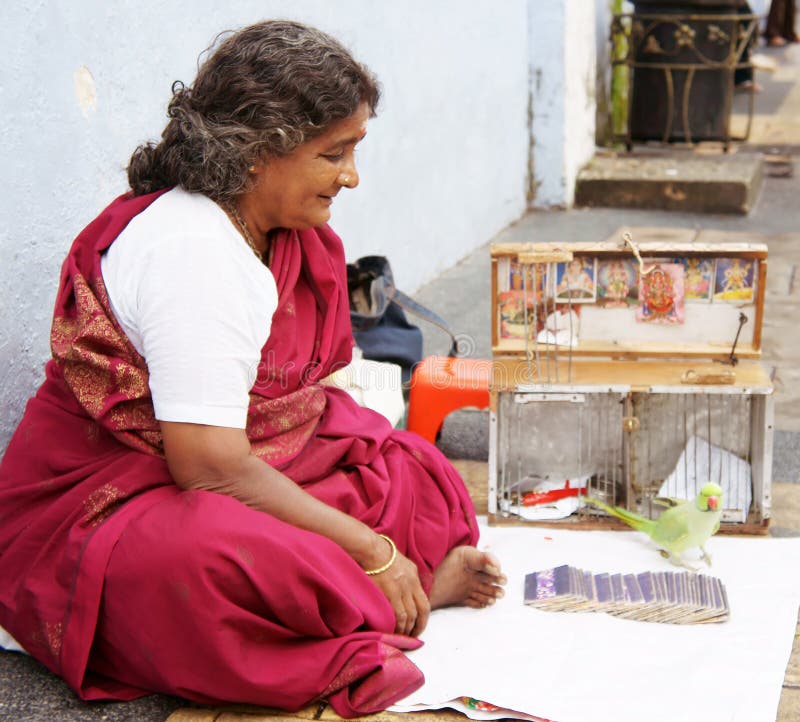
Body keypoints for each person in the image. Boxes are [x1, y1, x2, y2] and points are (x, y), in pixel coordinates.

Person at [0, 20, 506, 717]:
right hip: (115, 493)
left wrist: (366, 528)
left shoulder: (276, 232)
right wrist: (373, 549)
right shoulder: (194, 254)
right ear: (259, 152)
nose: (352, 176)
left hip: (236, 455)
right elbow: (207, 468)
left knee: (411, 473)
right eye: (336, 153)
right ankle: (391, 594)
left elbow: (292, 406)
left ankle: (372, 594)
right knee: (215, 567)